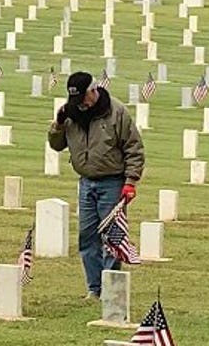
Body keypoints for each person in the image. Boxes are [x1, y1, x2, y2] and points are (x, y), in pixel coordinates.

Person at [48, 71, 145, 299]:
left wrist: (131, 181)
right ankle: (94, 288)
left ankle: (110, 288)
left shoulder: (116, 112)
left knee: (112, 237)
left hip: (112, 181)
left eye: (82, 98)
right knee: (87, 236)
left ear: (93, 91)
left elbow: (134, 148)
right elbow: (56, 145)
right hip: (86, 182)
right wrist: (58, 125)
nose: (79, 103)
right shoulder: (69, 113)